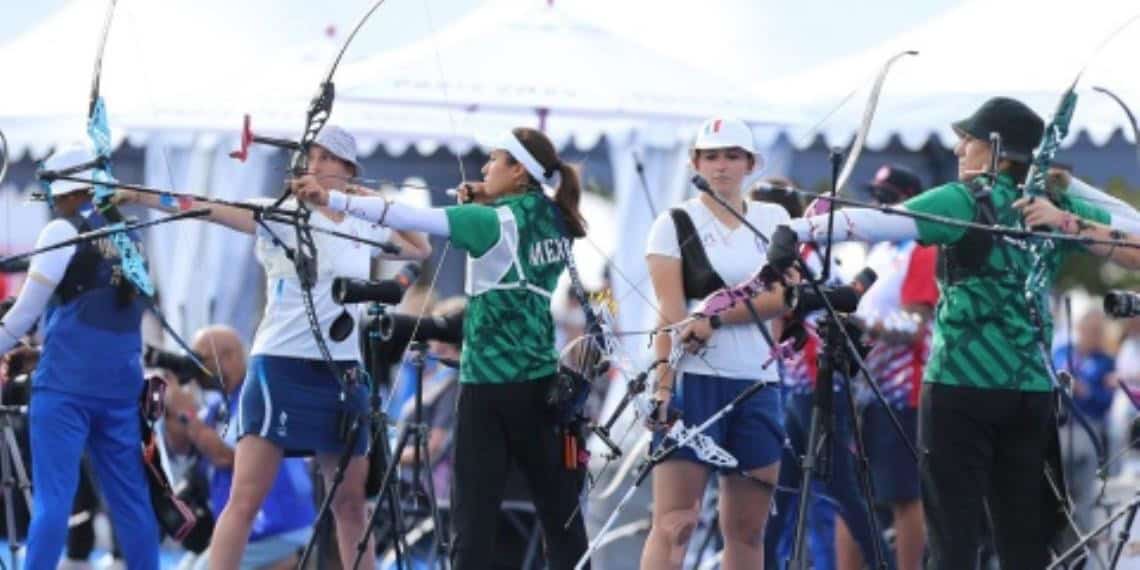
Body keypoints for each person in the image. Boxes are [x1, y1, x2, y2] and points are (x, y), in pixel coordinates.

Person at [773, 96, 1140, 568]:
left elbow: (883, 221)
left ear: (995, 149)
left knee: (953, 537)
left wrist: (799, 228)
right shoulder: (1055, 206)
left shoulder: (965, 198)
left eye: (967, 140)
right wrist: (1068, 201)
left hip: (959, 389)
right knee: (1022, 540)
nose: (959, 148)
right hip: (1029, 392)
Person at [117, 125, 431, 568]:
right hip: (280, 369)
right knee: (245, 500)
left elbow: (420, 247)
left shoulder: (364, 221)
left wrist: (367, 201)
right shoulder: (279, 213)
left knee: (351, 506)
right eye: (310, 157)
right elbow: (201, 207)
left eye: (326, 158)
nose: (314, 165)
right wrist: (138, 194)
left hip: (342, 373)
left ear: (348, 169)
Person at [292, 127, 591, 569]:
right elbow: (515, 224)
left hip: (488, 389)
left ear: (518, 172)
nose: (485, 168)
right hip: (542, 385)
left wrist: (331, 199)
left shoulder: (489, 220)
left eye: (494, 160)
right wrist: (488, 197)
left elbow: (412, 218)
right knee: (561, 519)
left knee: (472, 523)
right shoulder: (553, 215)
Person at [0, 144, 160, 568]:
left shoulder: (60, 231)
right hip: (120, 387)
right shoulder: (132, 236)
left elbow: (22, 317)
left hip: (66, 389)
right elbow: (104, 318)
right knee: (131, 502)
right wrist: (35, 355)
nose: (52, 202)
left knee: (54, 499)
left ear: (66, 193)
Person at [641, 117, 790, 569]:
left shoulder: (775, 219)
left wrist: (716, 317)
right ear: (696, 162)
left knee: (748, 531)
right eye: (711, 156)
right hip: (694, 381)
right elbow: (668, 312)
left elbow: (782, 296)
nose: (721, 166)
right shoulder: (673, 222)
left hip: (757, 383)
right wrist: (663, 388)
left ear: (749, 164)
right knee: (676, 523)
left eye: (731, 156)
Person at [164, 325, 317, 570]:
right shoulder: (219, 405)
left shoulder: (255, 397)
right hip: (252, 529)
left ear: (229, 357)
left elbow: (225, 456)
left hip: (277, 527)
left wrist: (187, 414)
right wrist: (171, 403)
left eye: (201, 360)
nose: (197, 369)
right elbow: (184, 446)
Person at [847, 164, 936, 570]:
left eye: (887, 199)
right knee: (853, 491)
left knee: (904, 494)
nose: (876, 207)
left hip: (903, 391)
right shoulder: (879, 251)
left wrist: (865, 326)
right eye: (875, 198)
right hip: (864, 390)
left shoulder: (921, 248)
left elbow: (916, 325)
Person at [1051, 308, 1116, 531]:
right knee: (1056, 496)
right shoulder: (1062, 352)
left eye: (1098, 331)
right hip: (1059, 430)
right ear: (1079, 329)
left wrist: (1085, 391)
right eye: (1090, 330)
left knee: (1084, 498)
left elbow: (1104, 401)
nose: (1094, 335)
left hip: (1088, 430)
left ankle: (1083, 549)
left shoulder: (1106, 361)